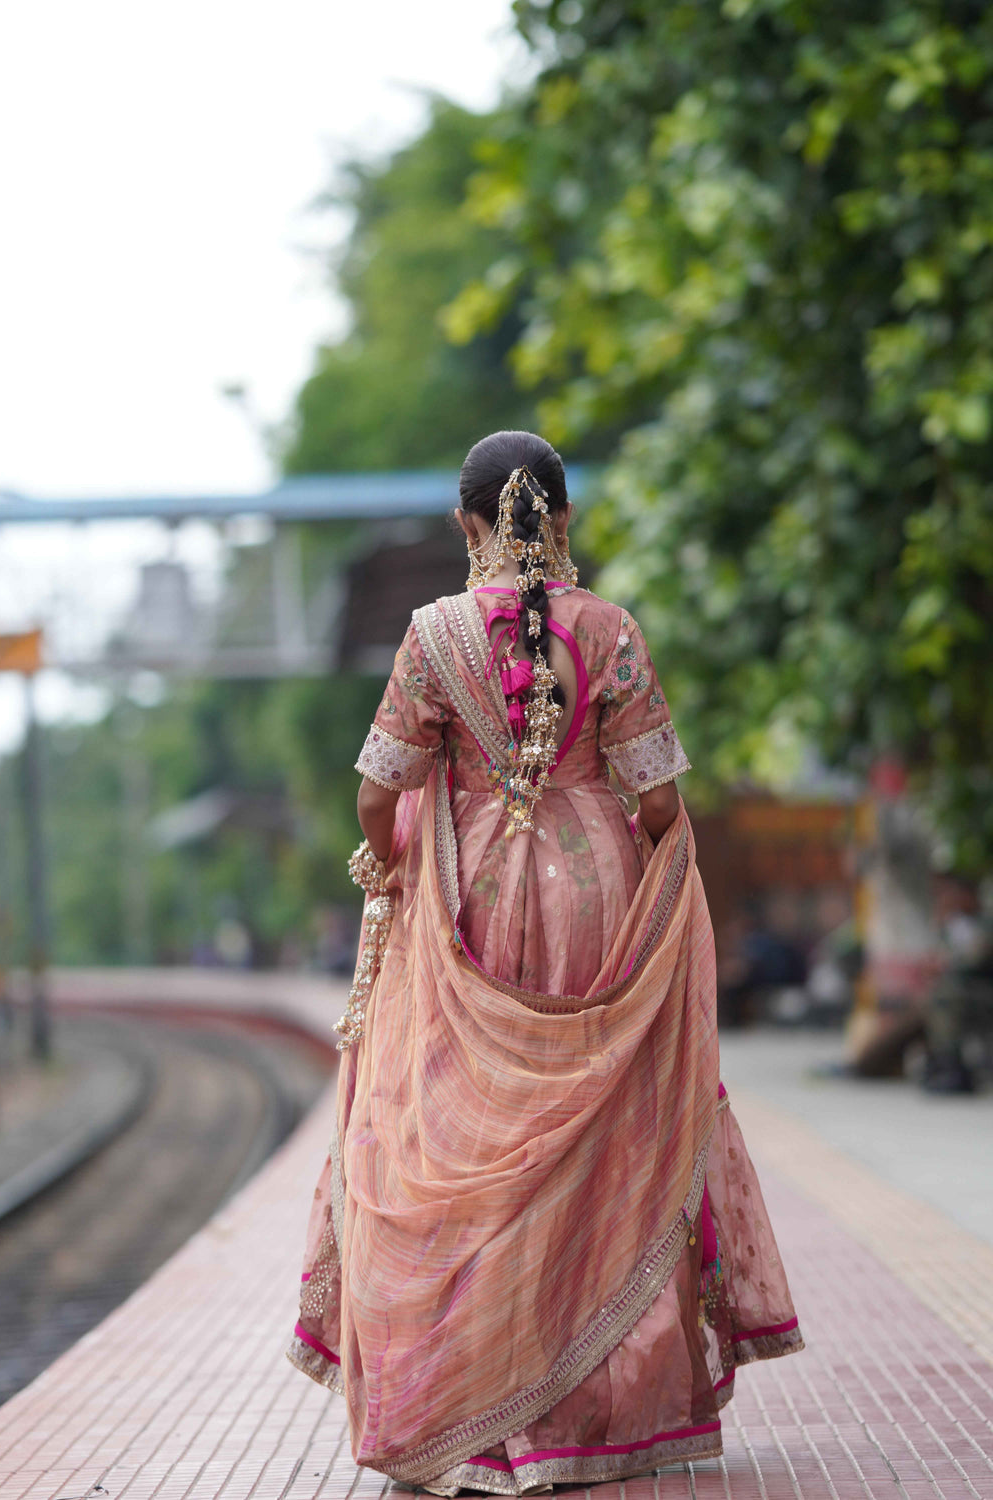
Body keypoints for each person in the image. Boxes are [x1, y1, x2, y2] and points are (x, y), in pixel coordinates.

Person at [286, 431, 803, 1494]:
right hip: (600, 896)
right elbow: (656, 796)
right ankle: (594, 1415)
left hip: (467, 901)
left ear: (467, 525)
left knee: (459, 1146)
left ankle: (473, 1417)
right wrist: (657, 884)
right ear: (562, 521)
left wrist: (391, 875)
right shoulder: (610, 630)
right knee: (599, 1143)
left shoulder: (431, 638)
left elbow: (380, 791)